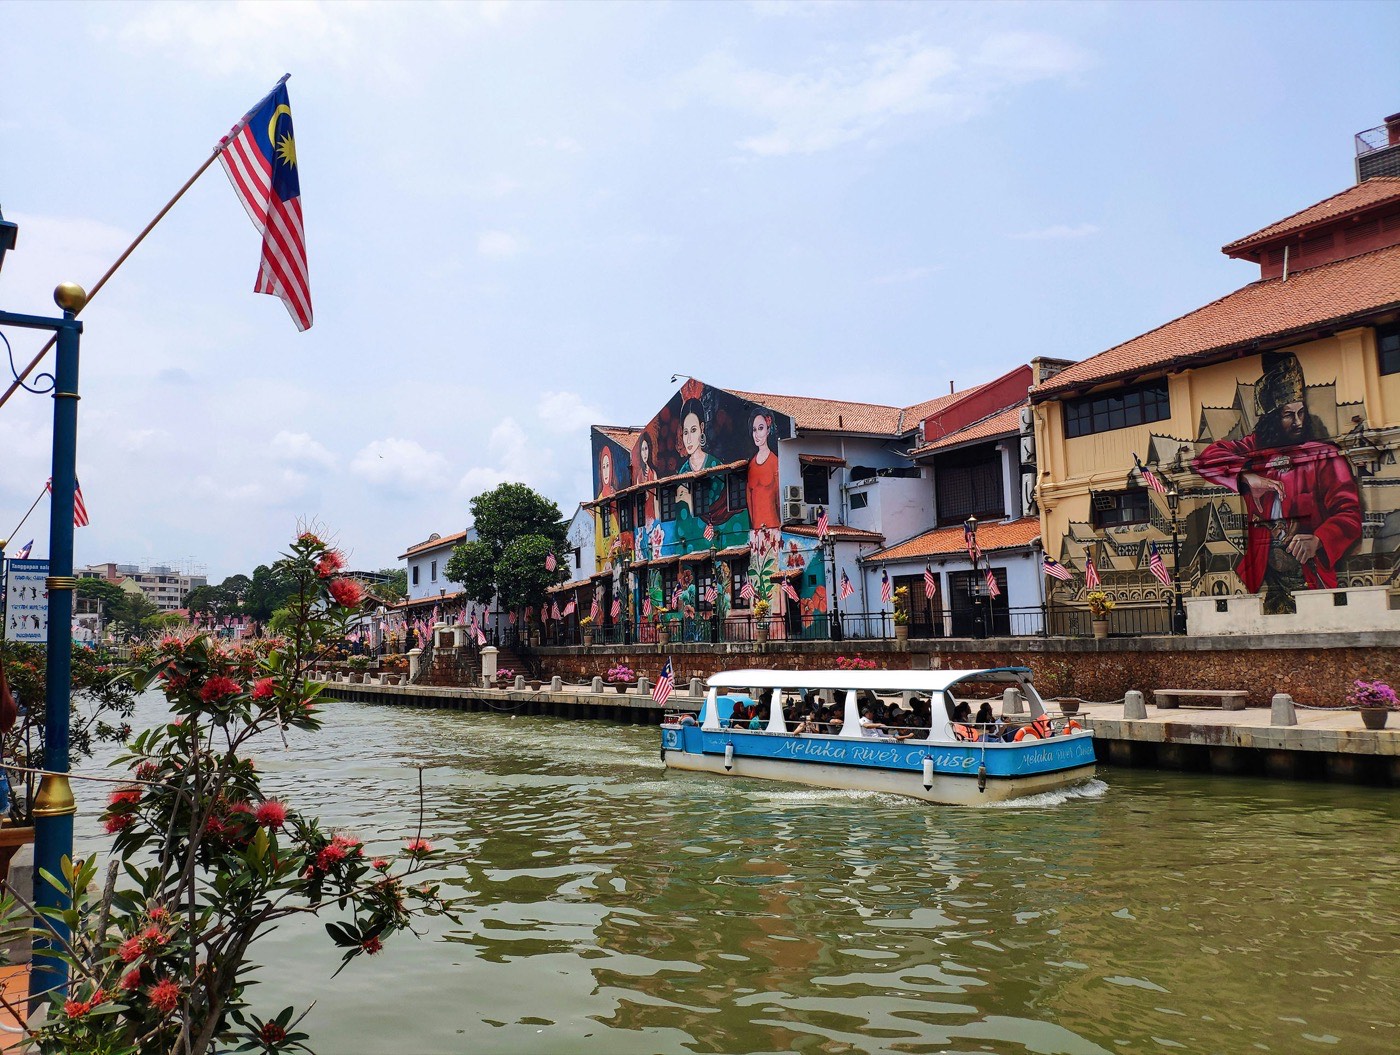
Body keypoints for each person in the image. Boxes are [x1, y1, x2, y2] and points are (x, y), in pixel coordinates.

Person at [1193, 351, 1362, 615]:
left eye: (1301, 413)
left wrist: (1319, 538)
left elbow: (1349, 513)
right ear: (1272, 418)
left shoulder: (1324, 455)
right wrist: (1246, 477)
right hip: (1263, 575)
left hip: (1307, 571)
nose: (1298, 422)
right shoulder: (1252, 449)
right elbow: (1205, 460)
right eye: (1288, 415)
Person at [746, 409, 781, 530]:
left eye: (760, 428)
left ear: (768, 430)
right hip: (756, 531)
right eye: (754, 430)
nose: (756, 434)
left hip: (774, 528)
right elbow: (750, 503)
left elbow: (779, 500)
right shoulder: (750, 465)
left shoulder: (775, 462)